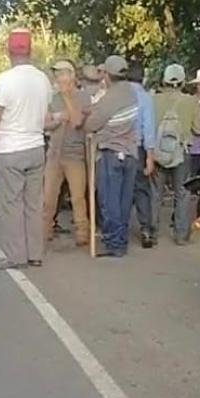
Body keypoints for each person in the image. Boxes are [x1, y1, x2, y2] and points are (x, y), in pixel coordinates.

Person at [0, 28, 51, 270]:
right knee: (34, 202)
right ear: (31, 50)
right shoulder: (42, 79)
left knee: (12, 203)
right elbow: (44, 115)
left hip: (10, 147)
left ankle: (16, 255)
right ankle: (35, 253)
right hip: (36, 145)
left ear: (8, 51)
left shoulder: (5, 80)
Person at [84, 55, 139, 257]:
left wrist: (89, 117)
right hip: (130, 153)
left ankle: (114, 243)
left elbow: (91, 124)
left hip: (112, 152)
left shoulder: (110, 97)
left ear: (107, 75)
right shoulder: (131, 93)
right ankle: (121, 241)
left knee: (110, 200)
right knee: (124, 201)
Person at [151, 64, 200, 246]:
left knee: (155, 193)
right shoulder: (191, 102)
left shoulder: (154, 100)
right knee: (182, 193)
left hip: (157, 152)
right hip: (182, 153)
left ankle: (152, 232)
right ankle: (181, 234)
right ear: (182, 82)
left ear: (164, 80)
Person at [42, 59, 91, 247]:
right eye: (56, 74)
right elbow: (45, 123)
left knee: (78, 197)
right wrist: (58, 118)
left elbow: (77, 121)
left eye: (62, 73)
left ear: (71, 76)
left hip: (74, 154)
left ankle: (82, 233)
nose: (58, 78)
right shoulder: (52, 99)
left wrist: (67, 99)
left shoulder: (83, 97)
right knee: (48, 198)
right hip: (54, 153)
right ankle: (45, 230)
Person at [127, 61, 157, 248]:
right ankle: (146, 229)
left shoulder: (119, 94)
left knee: (121, 190)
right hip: (138, 148)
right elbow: (148, 129)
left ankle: (118, 230)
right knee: (141, 190)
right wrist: (150, 157)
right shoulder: (145, 98)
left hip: (119, 147)